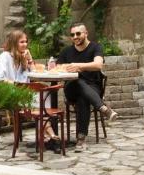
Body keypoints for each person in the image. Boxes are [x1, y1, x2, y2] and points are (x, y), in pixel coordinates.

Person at [51, 23, 118, 151]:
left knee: (83, 98)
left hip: (93, 87)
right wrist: (64, 68)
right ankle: (103, 108)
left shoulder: (95, 47)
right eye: (72, 35)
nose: (75, 37)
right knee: (77, 80)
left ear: (86, 33)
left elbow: (98, 65)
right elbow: (58, 68)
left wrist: (78, 66)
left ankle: (80, 140)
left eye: (78, 33)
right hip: (71, 88)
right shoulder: (66, 51)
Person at [0, 30, 58, 145]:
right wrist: (18, 85)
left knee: (44, 94)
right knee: (39, 97)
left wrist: (30, 59)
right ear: (13, 43)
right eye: (21, 42)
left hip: (23, 92)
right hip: (8, 93)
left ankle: (45, 133)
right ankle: (49, 132)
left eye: (26, 42)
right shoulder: (4, 57)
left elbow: (34, 74)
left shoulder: (22, 58)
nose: (25, 44)